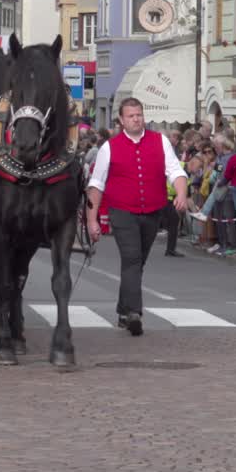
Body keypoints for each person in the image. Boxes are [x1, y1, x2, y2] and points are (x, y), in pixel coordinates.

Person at [86, 98, 189, 337]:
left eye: (139, 115)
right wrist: (92, 220)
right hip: (122, 211)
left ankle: (123, 309)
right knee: (132, 258)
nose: (136, 119)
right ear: (121, 120)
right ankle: (134, 313)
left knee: (138, 261)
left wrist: (181, 193)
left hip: (152, 211)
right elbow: (96, 185)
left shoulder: (160, 141)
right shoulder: (109, 147)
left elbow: (175, 170)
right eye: (131, 116)